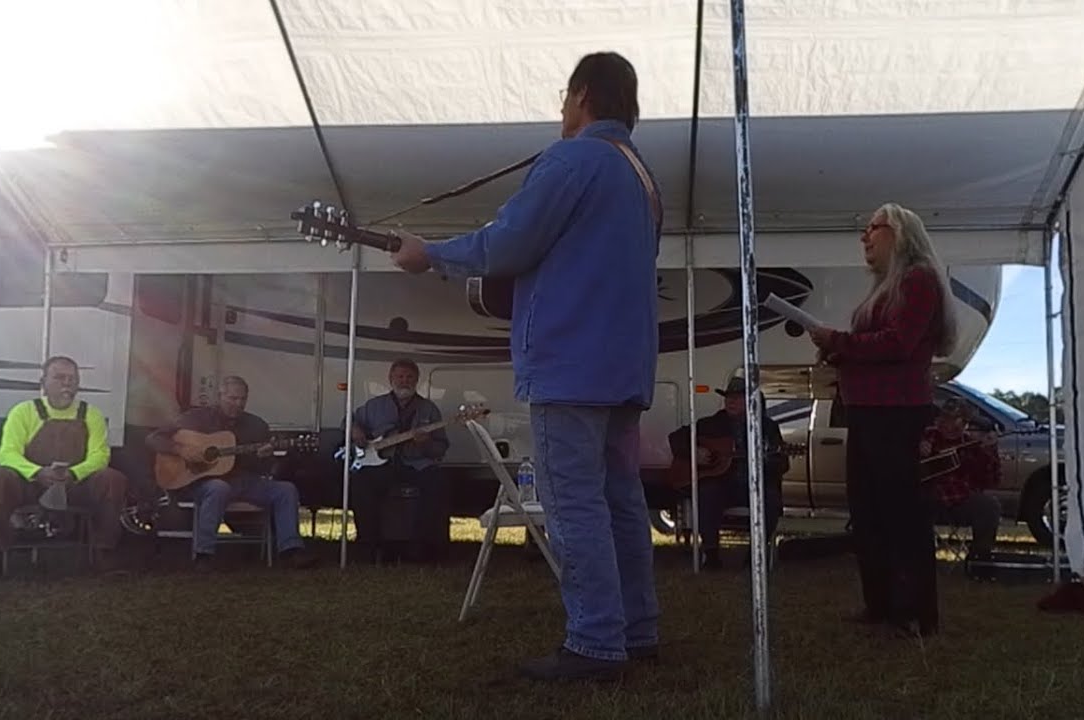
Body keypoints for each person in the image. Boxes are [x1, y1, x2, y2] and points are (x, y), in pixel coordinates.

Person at [388, 51, 662, 680]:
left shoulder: (571, 159)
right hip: (626, 368)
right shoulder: (640, 173)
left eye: (564, 96)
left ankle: (595, 643)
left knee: (572, 504)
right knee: (621, 499)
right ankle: (637, 630)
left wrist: (428, 254)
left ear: (584, 94)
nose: (560, 109)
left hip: (571, 362)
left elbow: (506, 242)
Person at [809, 202, 958, 638]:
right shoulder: (889, 286)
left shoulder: (917, 279)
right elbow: (880, 344)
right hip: (871, 411)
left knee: (900, 514)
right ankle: (882, 604)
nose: (864, 237)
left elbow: (898, 343)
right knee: (869, 512)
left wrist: (839, 341)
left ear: (898, 234)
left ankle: (914, 612)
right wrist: (839, 349)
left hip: (896, 414)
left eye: (872, 228)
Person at [147, 376, 318, 571]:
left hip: (244, 481)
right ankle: (204, 555)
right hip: (203, 482)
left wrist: (266, 458)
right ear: (219, 396)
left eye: (242, 399)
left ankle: (291, 550)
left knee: (286, 490)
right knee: (218, 488)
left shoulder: (256, 425)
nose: (238, 404)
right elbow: (154, 438)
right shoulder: (196, 418)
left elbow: (263, 469)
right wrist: (180, 450)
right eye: (232, 398)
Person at [0, 356, 129, 567]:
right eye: (60, 378)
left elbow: (100, 456)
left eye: (73, 379)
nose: (67, 383)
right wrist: (37, 473)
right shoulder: (23, 411)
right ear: (43, 383)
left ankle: (104, 552)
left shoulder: (92, 415)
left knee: (112, 479)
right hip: (31, 484)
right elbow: (7, 453)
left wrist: (74, 474)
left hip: (75, 486)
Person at [667, 377, 787, 570]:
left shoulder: (767, 427)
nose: (730, 402)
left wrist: (766, 461)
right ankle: (711, 554)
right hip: (723, 483)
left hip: (753, 485)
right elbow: (676, 438)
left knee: (770, 499)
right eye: (728, 398)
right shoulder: (712, 423)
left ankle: (755, 555)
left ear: (750, 401)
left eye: (737, 398)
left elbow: (782, 463)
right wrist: (695, 452)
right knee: (707, 493)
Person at [347, 359, 451, 564]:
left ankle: (424, 548)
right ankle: (369, 546)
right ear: (391, 379)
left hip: (417, 465)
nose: (404, 381)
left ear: (417, 380)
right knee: (361, 484)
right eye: (400, 376)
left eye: (409, 377)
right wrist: (354, 429)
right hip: (382, 465)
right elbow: (350, 421)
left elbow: (441, 448)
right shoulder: (374, 406)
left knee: (439, 484)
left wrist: (426, 444)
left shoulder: (429, 410)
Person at [920, 399, 1002, 564]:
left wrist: (989, 450)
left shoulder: (972, 445)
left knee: (989, 506)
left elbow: (991, 481)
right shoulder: (926, 436)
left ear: (965, 423)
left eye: (954, 420)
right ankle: (917, 560)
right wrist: (916, 449)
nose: (947, 425)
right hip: (926, 499)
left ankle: (979, 560)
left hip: (960, 501)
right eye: (944, 419)